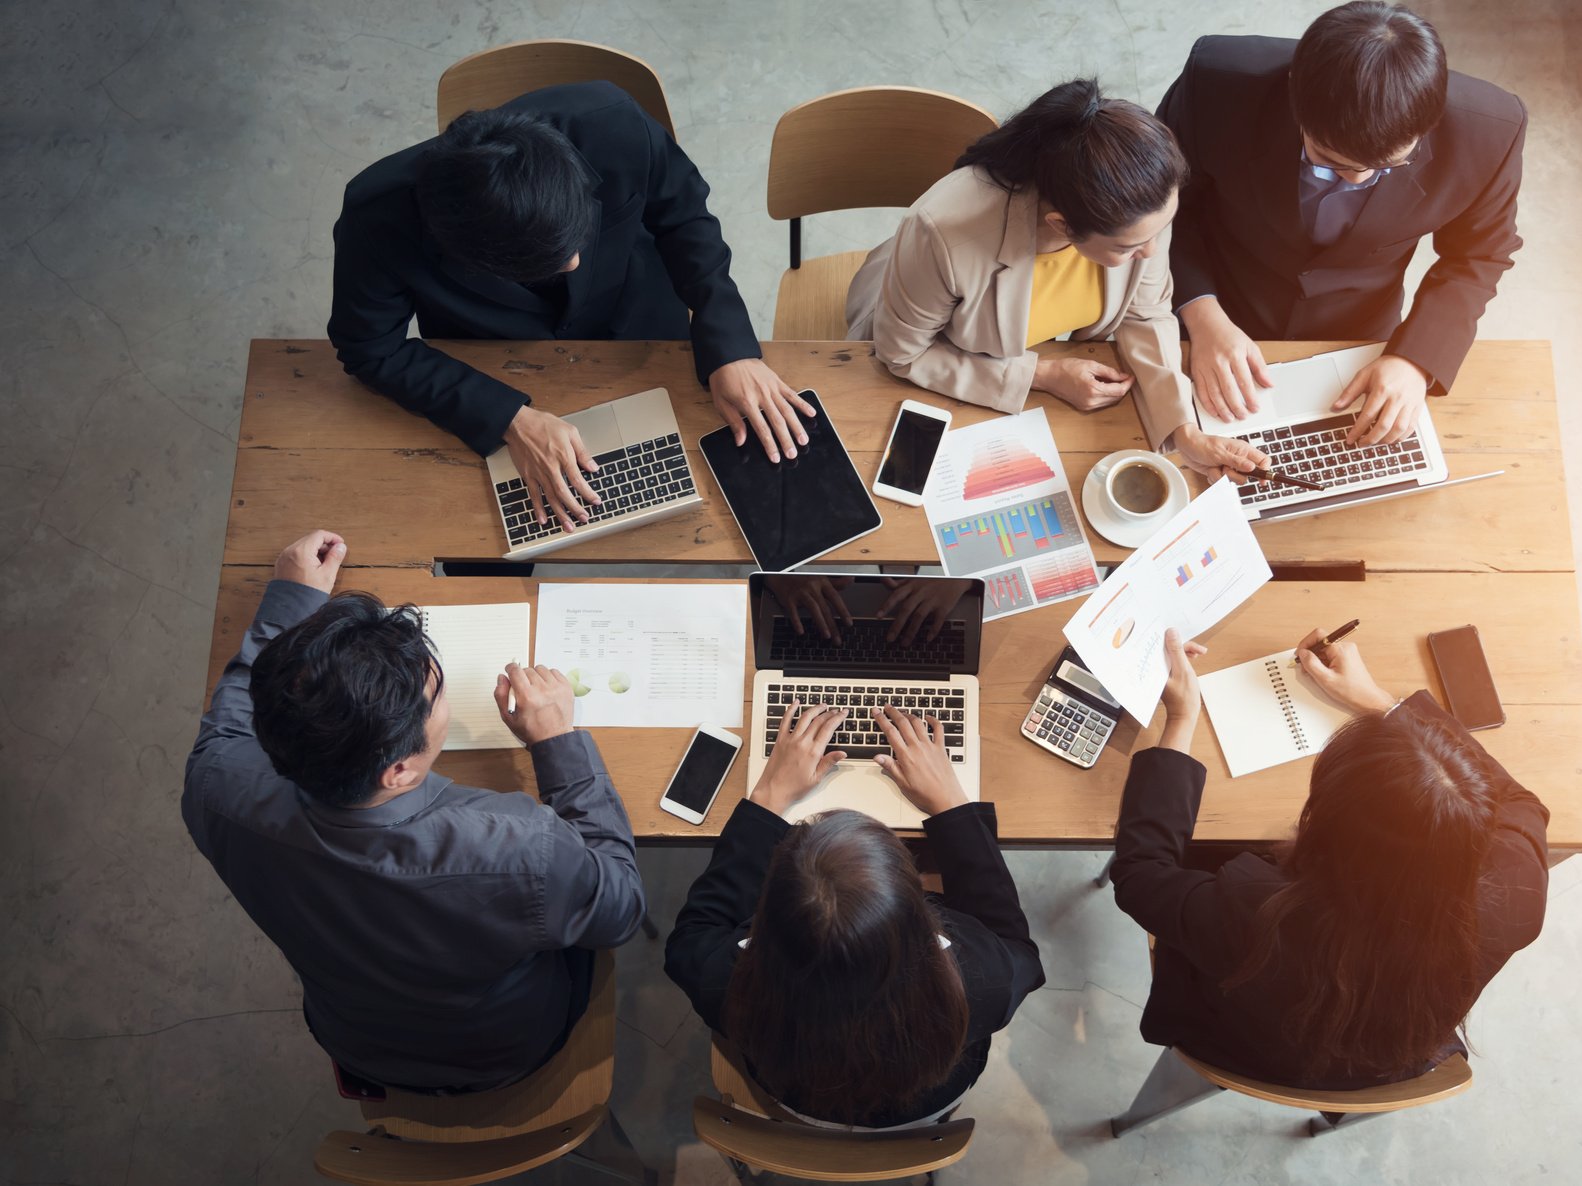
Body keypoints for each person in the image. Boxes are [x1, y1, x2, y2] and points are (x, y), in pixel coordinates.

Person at [182, 530, 645, 1092]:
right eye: (438, 695)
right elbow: (620, 907)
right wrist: (557, 743)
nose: (442, 698)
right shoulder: (520, 849)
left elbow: (231, 716)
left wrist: (291, 603)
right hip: (506, 1051)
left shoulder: (215, 789)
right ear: (397, 770)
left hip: (355, 1039)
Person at [328, 82, 813, 534]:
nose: (577, 261)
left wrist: (730, 347)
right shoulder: (376, 217)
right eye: (546, 261)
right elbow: (370, 349)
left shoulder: (615, 125)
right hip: (494, 361)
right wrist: (508, 419)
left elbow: (685, 218)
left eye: (576, 236)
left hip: (644, 322)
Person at [1110, 627, 1549, 1088]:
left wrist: (1181, 716)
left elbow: (1141, 874)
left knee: (1208, 850)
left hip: (1235, 1045)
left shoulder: (1253, 910)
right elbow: (1520, 801)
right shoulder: (1518, 891)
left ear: (1324, 825)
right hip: (1387, 1066)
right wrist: (1385, 705)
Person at [845, 78, 1269, 484]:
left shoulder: (1142, 210)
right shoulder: (942, 233)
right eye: (1129, 247)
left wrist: (1184, 431)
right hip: (933, 355)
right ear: (1062, 226)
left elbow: (1146, 314)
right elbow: (901, 353)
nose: (1152, 254)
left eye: (1161, 231)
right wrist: (1041, 375)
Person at [1157, 2, 1527, 446]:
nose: (1357, 178)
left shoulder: (1492, 132)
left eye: (1388, 164)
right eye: (1329, 161)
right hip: (1214, 305)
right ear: (1297, 99)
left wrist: (1415, 359)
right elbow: (1162, 205)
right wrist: (1201, 314)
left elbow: (1479, 255)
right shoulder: (1213, 82)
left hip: (1359, 334)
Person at [664, 703, 1044, 1128]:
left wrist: (767, 798)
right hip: (925, 1105)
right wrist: (951, 803)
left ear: (765, 913)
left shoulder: (729, 982)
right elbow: (1017, 947)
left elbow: (693, 934)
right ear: (922, 912)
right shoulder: (982, 979)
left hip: (794, 1099)